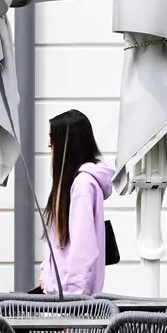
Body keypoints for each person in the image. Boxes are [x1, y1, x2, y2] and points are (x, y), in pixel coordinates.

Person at [39, 109, 116, 297]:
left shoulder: (82, 185)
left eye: (53, 136)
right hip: (65, 298)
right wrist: (46, 273)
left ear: (67, 142)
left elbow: (83, 249)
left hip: (71, 304)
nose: (49, 144)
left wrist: (72, 302)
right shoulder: (77, 183)